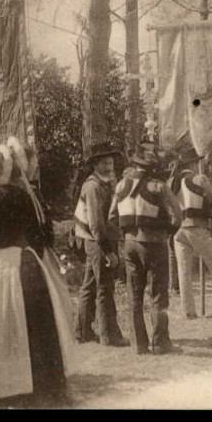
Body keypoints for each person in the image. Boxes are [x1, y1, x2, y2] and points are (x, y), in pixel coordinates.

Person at [0, 141, 75, 406]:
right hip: (28, 265)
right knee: (31, 328)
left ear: (3, 171)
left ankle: (11, 388)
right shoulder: (24, 196)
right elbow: (39, 236)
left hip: (3, 269)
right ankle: (41, 387)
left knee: (8, 327)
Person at [110, 146, 182, 354]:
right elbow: (177, 217)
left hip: (130, 244)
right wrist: (166, 233)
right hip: (155, 243)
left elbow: (112, 216)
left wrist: (127, 233)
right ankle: (160, 343)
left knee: (135, 294)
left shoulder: (121, 185)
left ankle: (138, 344)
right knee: (158, 294)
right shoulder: (158, 186)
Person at [169, 140, 212, 320]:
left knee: (184, 272)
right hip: (197, 227)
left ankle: (188, 311)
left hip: (178, 230)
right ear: (192, 164)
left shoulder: (173, 183)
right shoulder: (199, 179)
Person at [74, 141, 127, 347]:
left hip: (95, 240)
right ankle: (109, 335)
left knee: (89, 286)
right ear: (95, 165)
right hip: (97, 242)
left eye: (111, 162)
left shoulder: (104, 183)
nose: (109, 167)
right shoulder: (93, 186)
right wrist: (108, 252)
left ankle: (82, 332)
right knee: (105, 287)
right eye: (104, 163)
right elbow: (96, 224)